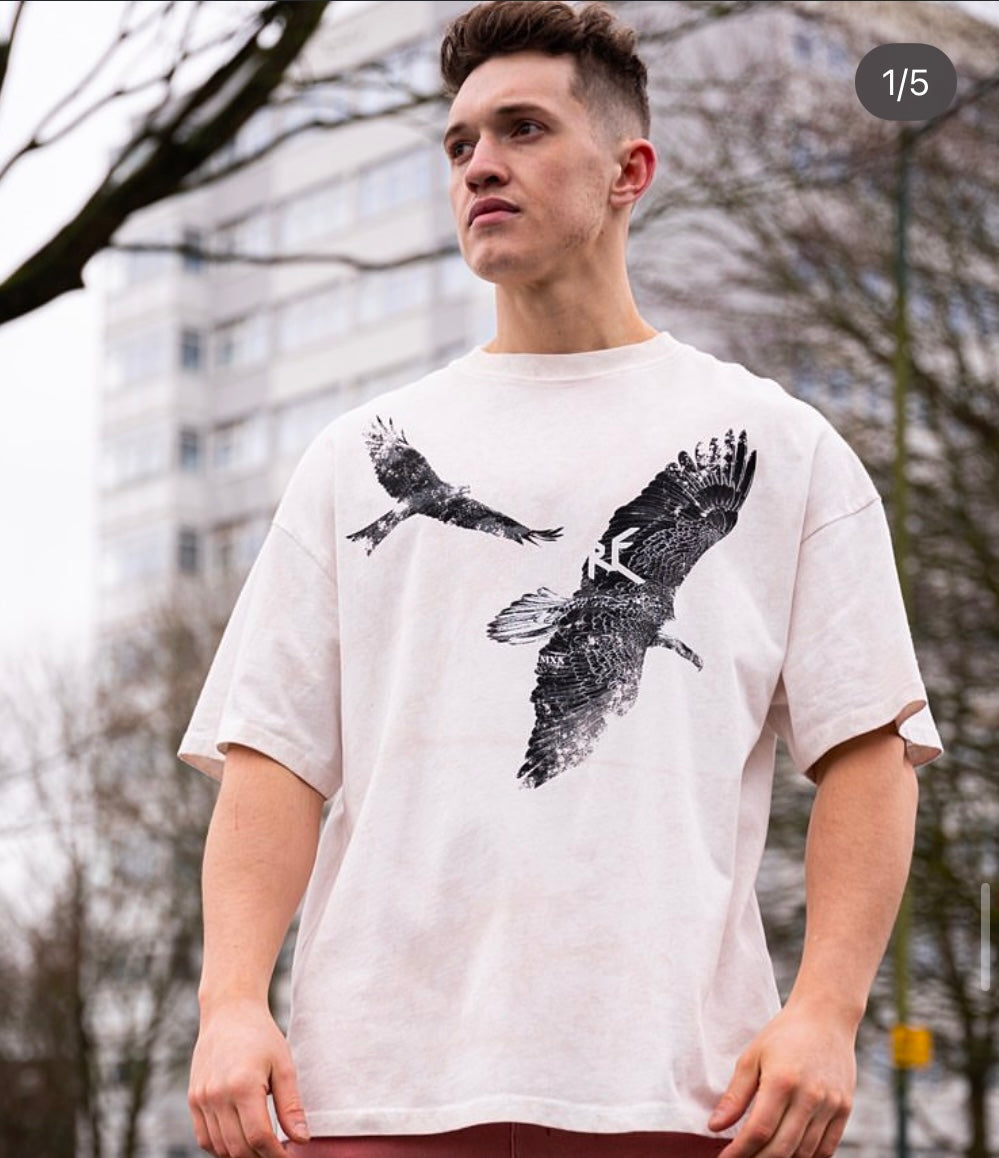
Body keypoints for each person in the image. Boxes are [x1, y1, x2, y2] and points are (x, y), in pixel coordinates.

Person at [180, 3, 942, 1157]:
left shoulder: (783, 447)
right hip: (379, 1088)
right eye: (460, 143)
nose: (479, 164)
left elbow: (870, 750)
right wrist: (231, 1001)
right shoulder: (349, 458)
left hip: (684, 1093)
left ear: (629, 171)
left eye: (523, 129)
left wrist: (828, 1015)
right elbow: (273, 756)